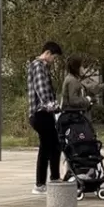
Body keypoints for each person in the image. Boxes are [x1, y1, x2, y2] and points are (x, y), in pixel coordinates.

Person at [27, 40, 62, 194]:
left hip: (45, 113)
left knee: (55, 144)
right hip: (41, 113)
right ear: (47, 53)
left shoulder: (42, 67)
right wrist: (53, 106)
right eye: (54, 57)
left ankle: (54, 178)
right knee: (47, 147)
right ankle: (40, 184)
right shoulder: (38, 66)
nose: (54, 60)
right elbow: (41, 90)